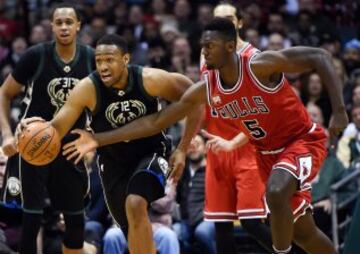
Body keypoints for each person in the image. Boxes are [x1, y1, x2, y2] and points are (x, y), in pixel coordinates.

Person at [64, 18, 348, 254]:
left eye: (210, 46)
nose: (204, 52)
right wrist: (99, 139)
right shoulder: (207, 88)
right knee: (304, 234)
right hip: (267, 154)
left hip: (300, 141)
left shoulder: (259, 65)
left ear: (229, 47)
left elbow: (319, 56)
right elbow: (158, 120)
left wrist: (338, 110)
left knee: (275, 194)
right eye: (202, 46)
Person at [21, 34, 199, 254]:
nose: (103, 66)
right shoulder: (88, 88)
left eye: (109, 60)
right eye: (98, 61)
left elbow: (196, 99)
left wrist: (182, 148)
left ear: (125, 59)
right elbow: (57, 128)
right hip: (113, 163)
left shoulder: (150, 79)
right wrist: (33, 130)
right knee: (132, 233)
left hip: (151, 152)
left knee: (135, 203)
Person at [0, 3, 95, 254]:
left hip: (70, 147)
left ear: (78, 26)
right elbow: (4, 93)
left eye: (69, 22)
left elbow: (102, 103)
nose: (64, 26)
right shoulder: (35, 55)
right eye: (59, 22)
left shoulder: (91, 58)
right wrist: (8, 135)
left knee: (75, 225)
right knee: (30, 223)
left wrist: (94, 136)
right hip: (34, 144)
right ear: (51, 27)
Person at [200, 3, 272, 253]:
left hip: (249, 148)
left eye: (229, 19)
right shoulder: (205, 56)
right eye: (218, 19)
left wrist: (233, 142)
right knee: (221, 224)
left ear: (240, 23)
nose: (223, 24)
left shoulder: (254, 58)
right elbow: (203, 101)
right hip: (217, 148)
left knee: (252, 222)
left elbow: (263, 113)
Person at [103, 179, 179, 254]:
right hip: (128, 225)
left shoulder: (162, 172)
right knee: (112, 236)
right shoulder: (125, 173)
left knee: (169, 237)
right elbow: (117, 202)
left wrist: (139, 195)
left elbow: (165, 202)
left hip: (157, 226)